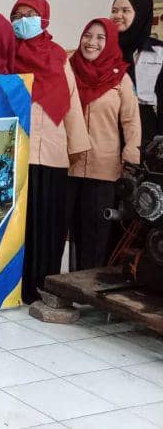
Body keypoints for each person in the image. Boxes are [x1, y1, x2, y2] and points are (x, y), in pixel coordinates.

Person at [10, 0, 90, 303]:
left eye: (30, 14)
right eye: (17, 15)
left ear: (44, 18)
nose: (23, 20)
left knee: (48, 222)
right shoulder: (8, 54)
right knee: (21, 223)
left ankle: (43, 286)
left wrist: (78, 146)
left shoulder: (58, 57)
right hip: (18, 151)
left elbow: (70, 102)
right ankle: (17, 286)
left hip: (53, 150)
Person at [67, 18, 140, 270]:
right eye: (88, 35)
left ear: (110, 43)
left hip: (105, 167)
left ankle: (91, 286)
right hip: (69, 164)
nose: (92, 42)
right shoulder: (68, 69)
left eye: (101, 38)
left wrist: (130, 159)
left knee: (97, 230)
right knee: (72, 229)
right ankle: (70, 283)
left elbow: (131, 122)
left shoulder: (121, 78)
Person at [112, 0, 163, 147]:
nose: (118, 15)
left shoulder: (158, 51)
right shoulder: (103, 47)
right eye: (114, 10)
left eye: (126, 10)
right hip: (109, 122)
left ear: (140, 14)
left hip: (145, 124)